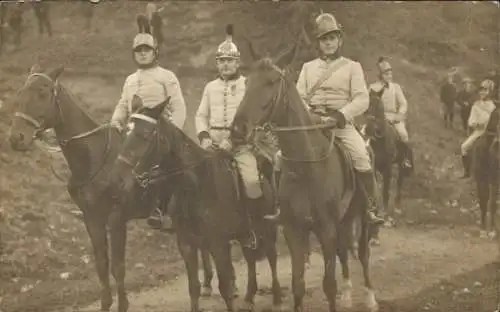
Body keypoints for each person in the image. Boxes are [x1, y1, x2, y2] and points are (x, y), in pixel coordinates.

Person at [295, 12, 384, 225]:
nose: (328, 43)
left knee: (361, 156)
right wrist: (309, 115)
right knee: (282, 157)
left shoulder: (352, 67)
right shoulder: (308, 68)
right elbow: (298, 96)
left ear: (339, 40)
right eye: (324, 39)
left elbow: (362, 99)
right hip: (313, 125)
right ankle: (286, 208)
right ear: (318, 42)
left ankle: (371, 208)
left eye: (332, 38)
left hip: (340, 124)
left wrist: (341, 115)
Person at [194, 24, 271, 245]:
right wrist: (204, 137)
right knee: (193, 178)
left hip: (240, 144)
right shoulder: (210, 87)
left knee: (251, 182)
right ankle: (201, 226)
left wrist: (232, 141)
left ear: (238, 62)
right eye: (221, 61)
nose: (225, 65)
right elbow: (201, 115)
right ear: (217, 64)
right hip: (212, 145)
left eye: (230, 60)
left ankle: (253, 228)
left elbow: (250, 120)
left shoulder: (247, 85)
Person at [110, 29, 186, 229]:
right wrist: (116, 120)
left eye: (147, 49)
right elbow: (122, 105)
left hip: (160, 133)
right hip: (135, 133)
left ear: (155, 52)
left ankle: (161, 208)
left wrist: (172, 135)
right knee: (114, 159)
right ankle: (111, 204)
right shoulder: (130, 80)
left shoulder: (166, 76)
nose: (143, 53)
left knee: (163, 166)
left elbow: (178, 107)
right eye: (138, 50)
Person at [369, 56, 413, 169]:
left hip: (393, 117)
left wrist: (399, 115)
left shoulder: (395, 87)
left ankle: (405, 159)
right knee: (365, 133)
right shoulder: (373, 88)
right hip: (378, 118)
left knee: (403, 135)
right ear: (380, 75)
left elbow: (403, 103)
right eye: (386, 74)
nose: (389, 76)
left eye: (390, 74)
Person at [460, 79, 496, 178]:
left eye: (485, 90)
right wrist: (475, 124)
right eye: (481, 90)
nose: (482, 92)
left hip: (491, 133)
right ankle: (467, 172)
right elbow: (471, 121)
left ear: (490, 92)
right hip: (479, 131)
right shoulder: (476, 105)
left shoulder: (493, 107)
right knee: (464, 147)